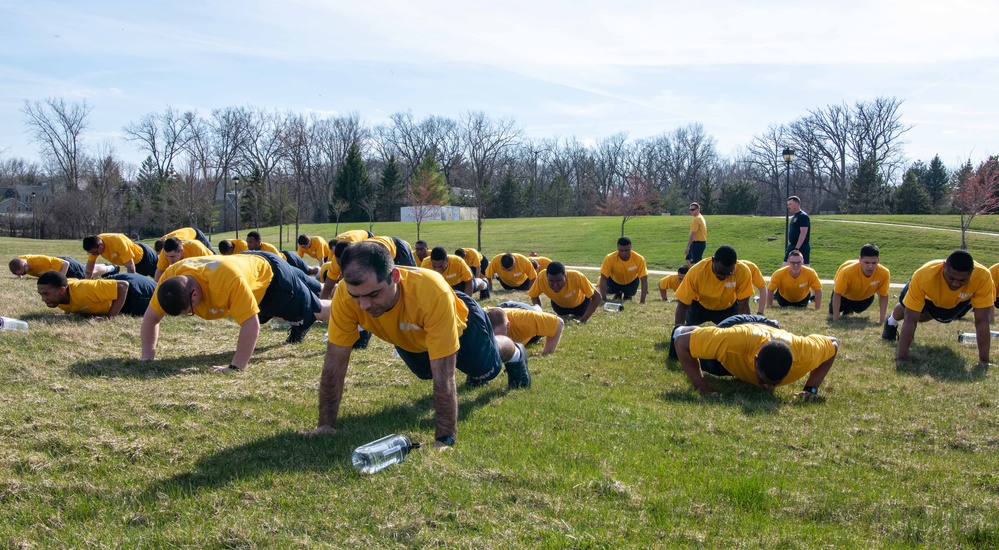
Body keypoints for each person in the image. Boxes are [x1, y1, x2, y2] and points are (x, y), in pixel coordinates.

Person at [307, 241, 532, 447]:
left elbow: (445, 376)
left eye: (373, 294)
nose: (363, 305)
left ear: (394, 276)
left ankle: (515, 352)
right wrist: (325, 425)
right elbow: (334, 364)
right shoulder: (346, 298)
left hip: (462, 326)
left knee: (486, 370)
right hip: (413, 338)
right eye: (356, 295)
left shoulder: (431, 291)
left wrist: (444, 438)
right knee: (426, 373)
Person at [140, 252, 330, 372]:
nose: (192, 313)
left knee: (316, 309)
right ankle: (301, 319)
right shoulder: (171, 279)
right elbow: (151, 317)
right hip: (248, 262)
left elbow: (251, 324)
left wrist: (235, 367)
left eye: (190, 311)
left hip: (275, 281)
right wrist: (147, 357)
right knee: (285, 309)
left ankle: (351, 310)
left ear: (195, 293)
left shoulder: (226, 282)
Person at [672, 319, 838, 398]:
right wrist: (703, 389)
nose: (767, 386)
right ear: (755, 360)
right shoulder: (733, 342)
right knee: (696, 345)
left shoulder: (804, 354)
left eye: (775, 383)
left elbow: (833, 343)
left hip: (772, 327)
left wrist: (811, 389)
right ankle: (680, 327)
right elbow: (682, 343)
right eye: (764, 379)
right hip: (741, 326)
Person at [882, 250, 994, 364]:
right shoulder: (924, 275)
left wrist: (984, 361)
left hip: (958, 301)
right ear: (944, 266)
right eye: (951, 278)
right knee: (908, 309)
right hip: (927, 297)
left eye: (962, 280)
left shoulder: (983, 277)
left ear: (972, 272)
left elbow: (982, 321)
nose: (955, 284)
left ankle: (922, 317)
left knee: (923, 317)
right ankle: (891, 322)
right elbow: (910, 319)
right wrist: (902, 359)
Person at [674, 245, 752, 326]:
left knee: (732, 335)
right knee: (688, 332)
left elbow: (743, 306)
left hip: (727, 308)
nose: (723, 277)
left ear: (735, 264)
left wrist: (746, 331)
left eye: (729, 274)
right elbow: (682, 304)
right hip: (700, 306)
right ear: (713, 260)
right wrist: (677, 331)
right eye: (719, 273)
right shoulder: (696, 273)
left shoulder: (743, 272)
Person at [36, 270, 155, 317]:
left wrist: (110, 317)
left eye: (46, 294)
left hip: (134, 291)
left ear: (62, 290)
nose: (43, 299)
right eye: (41, 294)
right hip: (109, 285)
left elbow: (123, 286)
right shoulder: (58, 299)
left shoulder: (83, 290)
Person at [831, 243, 891, 323]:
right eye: (866, 263)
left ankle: (850, 309)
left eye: (874, 263)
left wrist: (882, 320)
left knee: (859, 309)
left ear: (878, 260)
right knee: (831, 313)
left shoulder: (884, 273)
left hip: (865, 298)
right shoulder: (847, 271)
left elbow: (883, 295)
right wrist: (835, 319)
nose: (870, 267)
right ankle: (846, 309)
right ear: (860, 260)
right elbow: (837, 293)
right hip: (844, 297)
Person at [528, 261, 602, 323]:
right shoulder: (541, 277)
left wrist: (583, 320)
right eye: (551, 281)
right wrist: (540, 315)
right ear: (546, 277)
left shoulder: (576, 276)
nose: (555, 285)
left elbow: (597, 297)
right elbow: (534, 295)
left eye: (559, 281)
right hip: (559, 308)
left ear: (565, 276)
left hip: (581, 306)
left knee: (580, 313)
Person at [486, 304, 564, 354]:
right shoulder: (476, 322)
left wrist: (546, 353)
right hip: (499, 308)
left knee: (536, 311)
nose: (498, 340)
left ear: (508, 326)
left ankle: (537, 307)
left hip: (521, 309)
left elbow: (558, 323)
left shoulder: (525, 322)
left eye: (501, 336)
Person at [83, 233, 158, 278]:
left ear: (100, 245)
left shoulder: (117, 242)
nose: (93, 255)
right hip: (136, 263)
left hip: (146, 259)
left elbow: (130, 267)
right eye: (91, 253)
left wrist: (131, 284)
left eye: (95, 252)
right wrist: (86, 282)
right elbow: (90, 266)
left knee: (160, 279)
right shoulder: (94, 245)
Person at [598, 236, 649, 303]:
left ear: (631, 248)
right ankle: (617, 293)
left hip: (631, 282)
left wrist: (642, 302)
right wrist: (603, 300)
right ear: (617, 248)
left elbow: (644, 280)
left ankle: (628, 295)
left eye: (627, 250)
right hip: (614, 282)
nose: (624, 253)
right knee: (609, 290)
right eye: (621, 250)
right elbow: (603, 278)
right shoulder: (609, 258)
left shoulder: (639, 259)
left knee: (629, 294)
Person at [423, 246, 488, 296]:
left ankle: (484, 282)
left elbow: (468, 282)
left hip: (460, 282)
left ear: (447, 260)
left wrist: (467, 300)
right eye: (434, 266)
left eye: (441, 266)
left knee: (475, 286)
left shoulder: (458, 262)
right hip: (444, 284)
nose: (438, 269)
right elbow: (424, 285)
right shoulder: (425, 264)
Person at [9, 254, 105, 280]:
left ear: (25, 264)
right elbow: (17, 263)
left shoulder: (41, 261)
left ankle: (111, 268)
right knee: (86, 268)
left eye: (24, 272)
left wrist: (60, 278)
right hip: (58, 264)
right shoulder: (21, 261)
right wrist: (20, 274)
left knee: (88, 273)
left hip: (67, 266)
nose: (25, 273)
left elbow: (65, 264)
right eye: (22, 273)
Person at [785, 196, 811, 265]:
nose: (788, 206)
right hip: (792, 246)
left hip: (801, 247)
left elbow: (803, 233)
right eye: (788, 205)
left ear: (797, 204)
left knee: (804, 269)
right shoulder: (795, 216)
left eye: (790, 204)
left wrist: (797, 248)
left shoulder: (803, 216)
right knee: (785, 268)